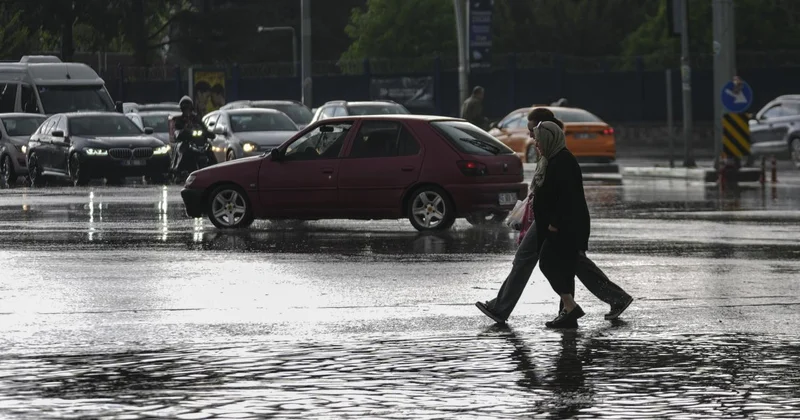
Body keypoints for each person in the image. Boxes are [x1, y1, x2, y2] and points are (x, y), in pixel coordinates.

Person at [475, 108, 632, 326]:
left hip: (554, 221)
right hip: (549, 218)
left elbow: (566, 196)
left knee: (538, 260)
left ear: (544, 130)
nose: (531, 137)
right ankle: (586, 306)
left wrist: (553, 222)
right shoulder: (548, 153)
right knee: (571, 262)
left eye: (533, 131)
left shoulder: (560, 158)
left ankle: (504, 308)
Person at [172, 95, 217, 175]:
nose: (187, 111)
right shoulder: (179, 120)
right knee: (184, 150)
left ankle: (216, 169)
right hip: (188, 142)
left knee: (209, 149)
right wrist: (184, 132)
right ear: (182, 109)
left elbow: (204, 128)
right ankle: (179, 171)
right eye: (185, 109)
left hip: (200, 143)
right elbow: (177, 131)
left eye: (188, 108)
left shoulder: (196, 118)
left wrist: (209, 134)